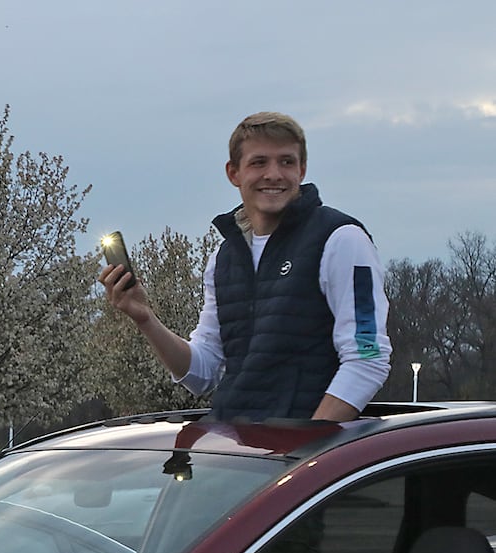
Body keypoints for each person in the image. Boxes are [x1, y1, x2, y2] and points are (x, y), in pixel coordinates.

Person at [100, 111, 391, 423]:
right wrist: (145, 318)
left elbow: (367, 358)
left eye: (287, 162)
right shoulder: (224, 259)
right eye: (259, 162)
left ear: (302, 169)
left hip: (306, 463)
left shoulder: (343, 240)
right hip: (238, 456)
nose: (274, 174)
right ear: (233, 173)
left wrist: (309, 447)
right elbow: (202, 372)